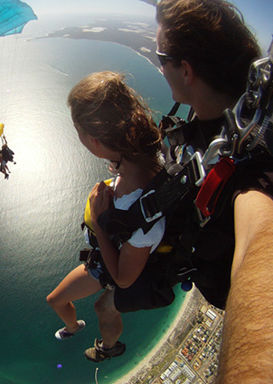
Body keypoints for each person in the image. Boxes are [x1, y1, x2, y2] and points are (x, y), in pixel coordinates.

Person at [92, 0, 271, 379]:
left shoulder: (249, 173)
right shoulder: (219, 118)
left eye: (160, 56)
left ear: (186, 70)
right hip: (182, 249)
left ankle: (108, 345)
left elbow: (264, 245)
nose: (158, 65)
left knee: (106, 306)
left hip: (185, 264)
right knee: (106, 307)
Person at [46, 71, 173, 362]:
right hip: (110, 254)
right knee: (61, 300)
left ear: (95, 142)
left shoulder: (144, 212)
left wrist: (102, 224)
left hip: (115, 266)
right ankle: (75, 328)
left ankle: (105, 347)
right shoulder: (141, 156)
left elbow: (124, 280)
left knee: (96, 306)